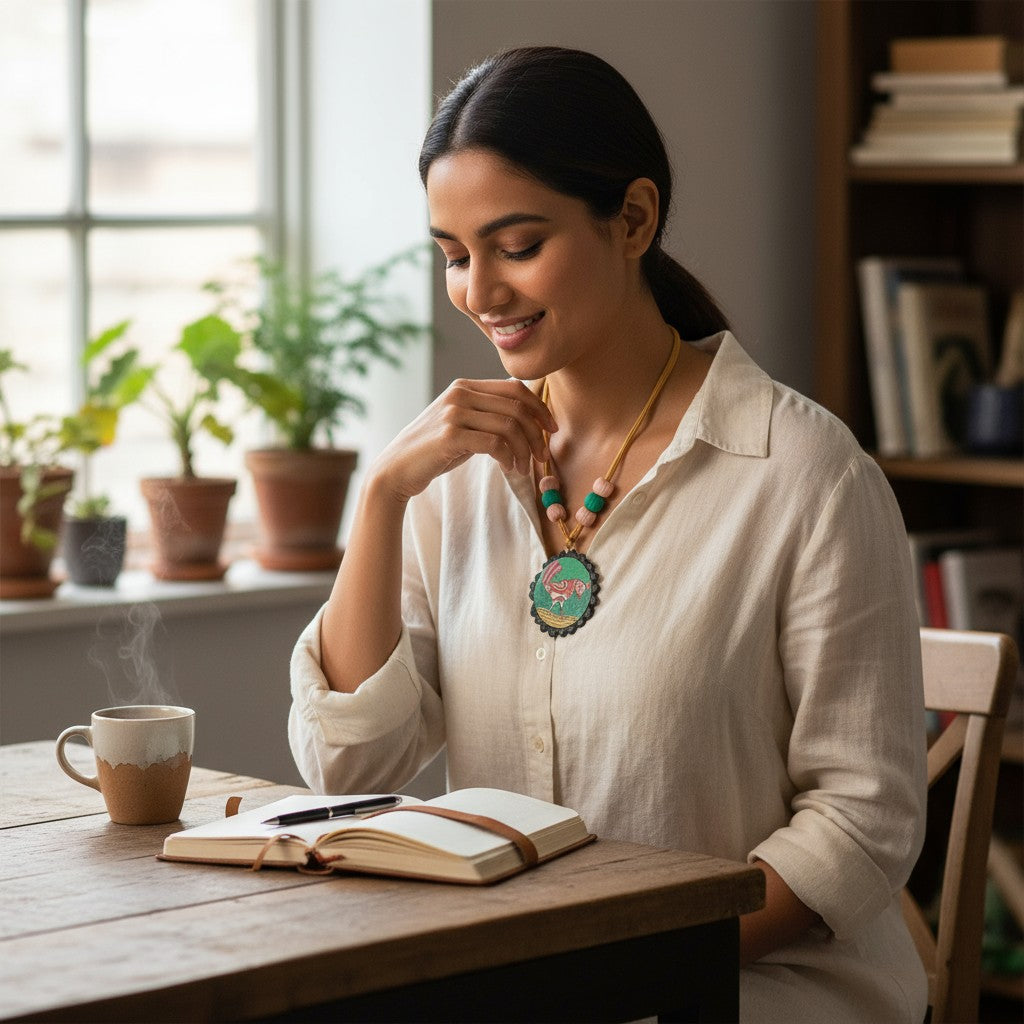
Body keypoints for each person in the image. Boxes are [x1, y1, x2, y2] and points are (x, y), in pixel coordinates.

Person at [289, 46, 927, 1022]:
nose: (479, 292)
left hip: (758, 986)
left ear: (632, 218)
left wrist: (620, 964)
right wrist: (379, 496)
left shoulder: (805, 474)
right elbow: (347, 767)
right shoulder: (446, 477)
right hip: (528, 982)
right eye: (454, 254)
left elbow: (861, 821)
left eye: (515, 244)